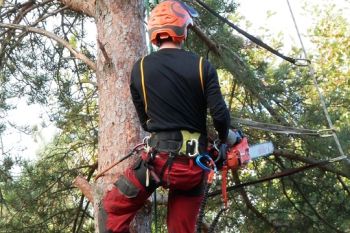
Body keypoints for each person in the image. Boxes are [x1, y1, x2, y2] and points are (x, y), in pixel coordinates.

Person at [102, 1, 239, 232]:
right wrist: (226, 137)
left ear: (155, 32)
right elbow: (220, 116)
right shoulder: (202, 66)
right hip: (193, 168)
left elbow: (145, 120)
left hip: (158, 162)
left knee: (112, 211)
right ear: (183, 29)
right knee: (181, 228)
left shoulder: (141, 68)